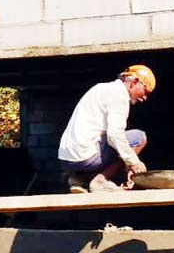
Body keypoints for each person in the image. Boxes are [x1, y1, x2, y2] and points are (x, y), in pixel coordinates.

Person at [57, 65, 155, 193]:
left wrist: (128, 165)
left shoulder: (101, 88)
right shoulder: (119, 96)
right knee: (138, 137)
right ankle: (100, 181)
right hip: (86, 158)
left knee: (110, 143)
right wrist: (134, 163)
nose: (145, 98)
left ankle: (78, 179)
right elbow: (114, 136)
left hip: (66, 159)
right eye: (145, 91)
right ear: (134, 82)